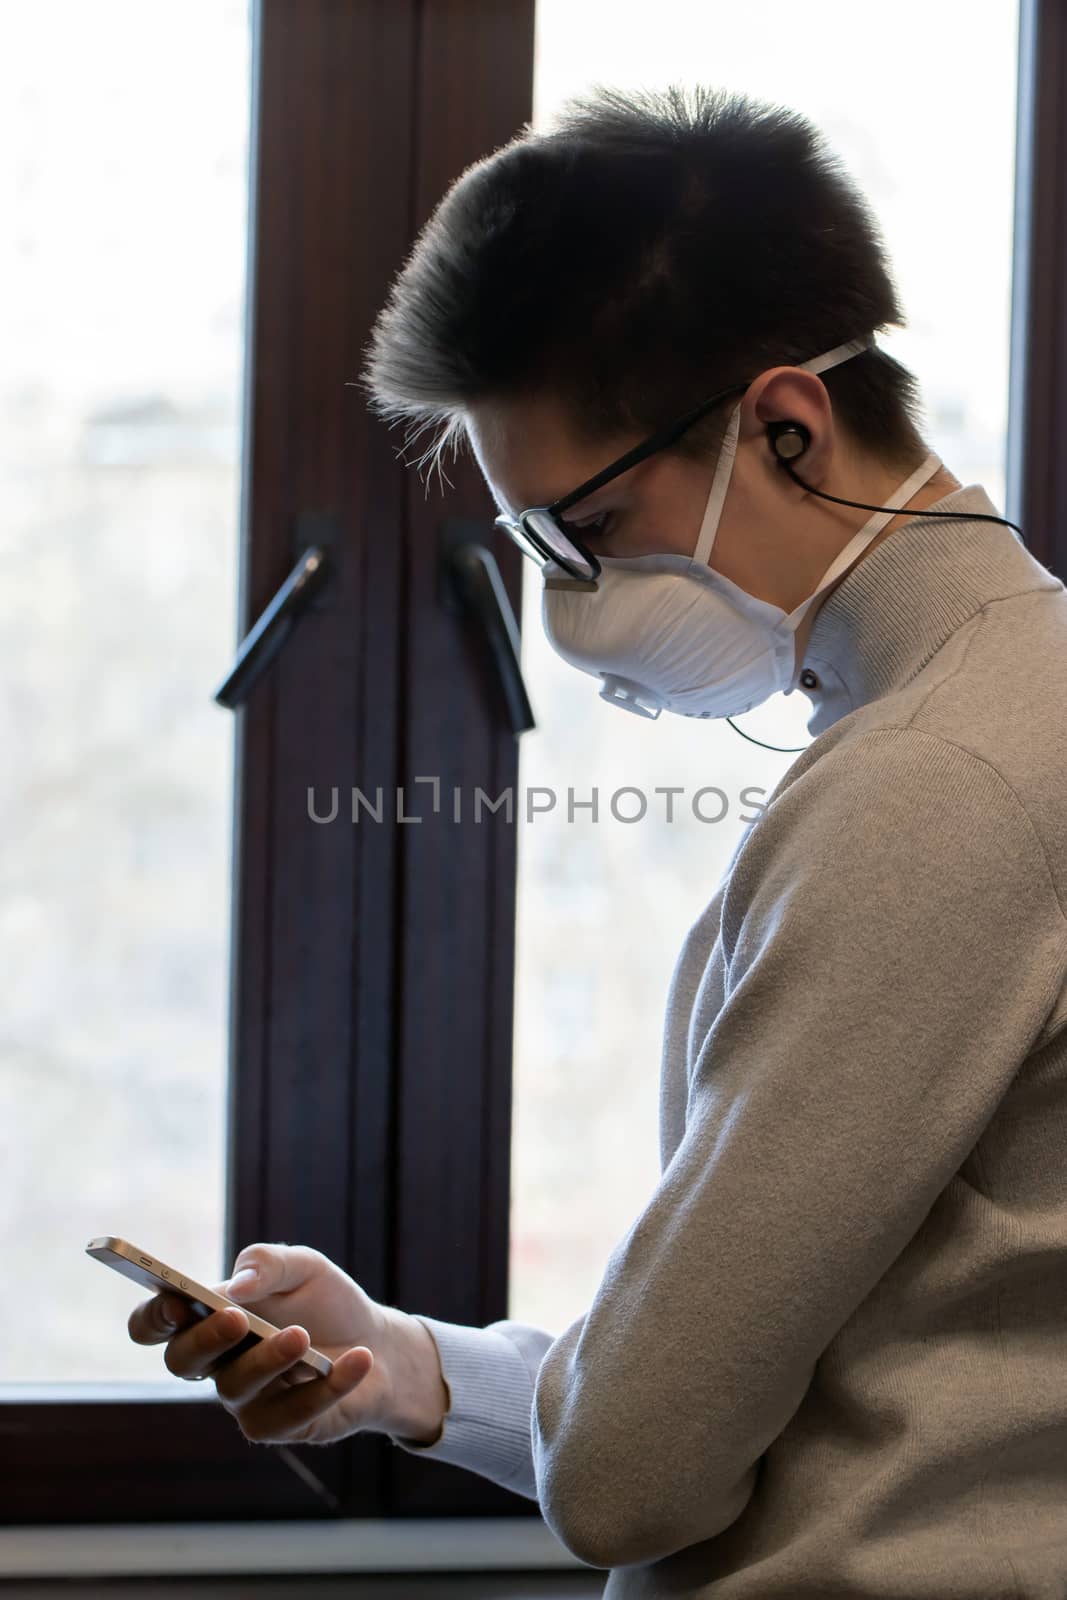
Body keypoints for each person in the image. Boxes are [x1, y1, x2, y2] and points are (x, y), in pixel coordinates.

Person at [131, 85, 1067, 1596]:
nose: (565, 604)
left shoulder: (940, 782)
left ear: (787, 424)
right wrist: (407, 1368)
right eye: (530, 553)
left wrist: (578, 1409)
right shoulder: (999, 712)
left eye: (585, 531)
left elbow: (637, 1472)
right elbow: (842, 1363)